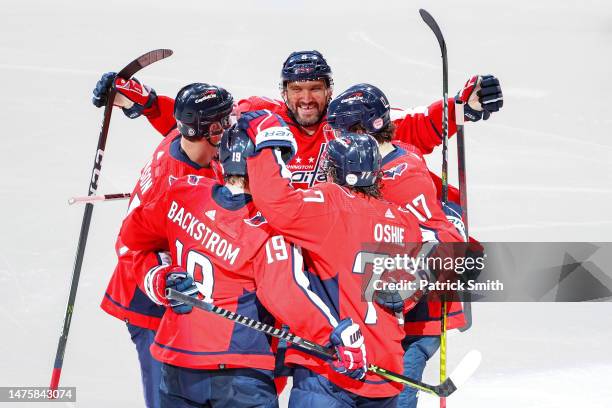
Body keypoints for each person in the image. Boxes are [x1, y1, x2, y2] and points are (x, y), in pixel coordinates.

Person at [118, 123, 371, 407]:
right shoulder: (268, 226)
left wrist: (158, 277)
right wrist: (335, 335)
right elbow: (286, 295)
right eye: (277, 161)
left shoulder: (183, 191)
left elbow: (133, 241)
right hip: (239, 370)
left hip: (177, 363)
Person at [326, 81, 501, 407]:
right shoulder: (377, 162)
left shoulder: (400, 178)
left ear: (362, 129)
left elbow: (442, 245)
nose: (335, 141)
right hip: (382, 318)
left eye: (340, 132)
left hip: (415, 320)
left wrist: (406, 286)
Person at [102, 50, 499, 190]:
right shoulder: (260, 116)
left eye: (315, 88)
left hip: (333, 251)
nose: (306, 98)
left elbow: (412, 129)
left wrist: (466, 107)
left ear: (329, 89)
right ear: (283, 92)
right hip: (273, 252)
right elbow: (204, 121)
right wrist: (146, 103)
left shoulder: (351, 119)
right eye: (296, 89)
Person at [242, 110, 426, 406]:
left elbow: (275, 202)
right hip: (386, 368)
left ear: (333, 171)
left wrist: (265, 144)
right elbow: (418, 279)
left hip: (332, 367)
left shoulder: (331, 203)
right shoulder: (405, 222)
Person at [93, 77, 234, 408]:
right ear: (202, 131)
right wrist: (161, 279)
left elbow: (173, 119)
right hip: (152, 302)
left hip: (187, 298)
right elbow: (129, 246)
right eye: (222, 124)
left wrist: (146, 102)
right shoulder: (171, 187)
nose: (230, 129)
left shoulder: (185, 139)